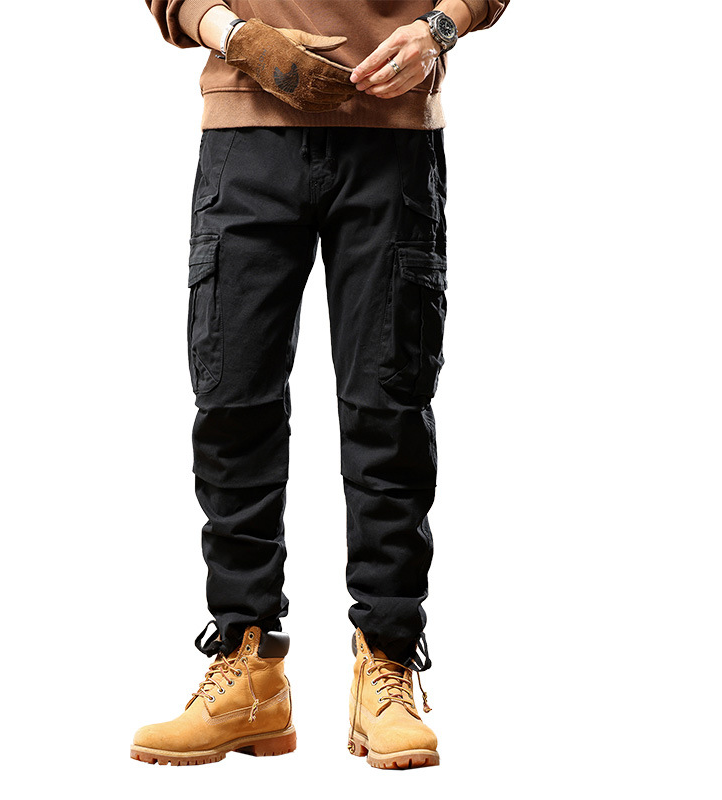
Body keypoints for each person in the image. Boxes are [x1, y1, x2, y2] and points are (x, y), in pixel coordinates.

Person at [131, 0, 509, 771]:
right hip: (248, 134)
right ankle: (248, 667)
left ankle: (386, 667)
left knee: (389, 405)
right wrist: (238, 37)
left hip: (392, 134)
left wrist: (438, 29)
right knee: (232, 403)